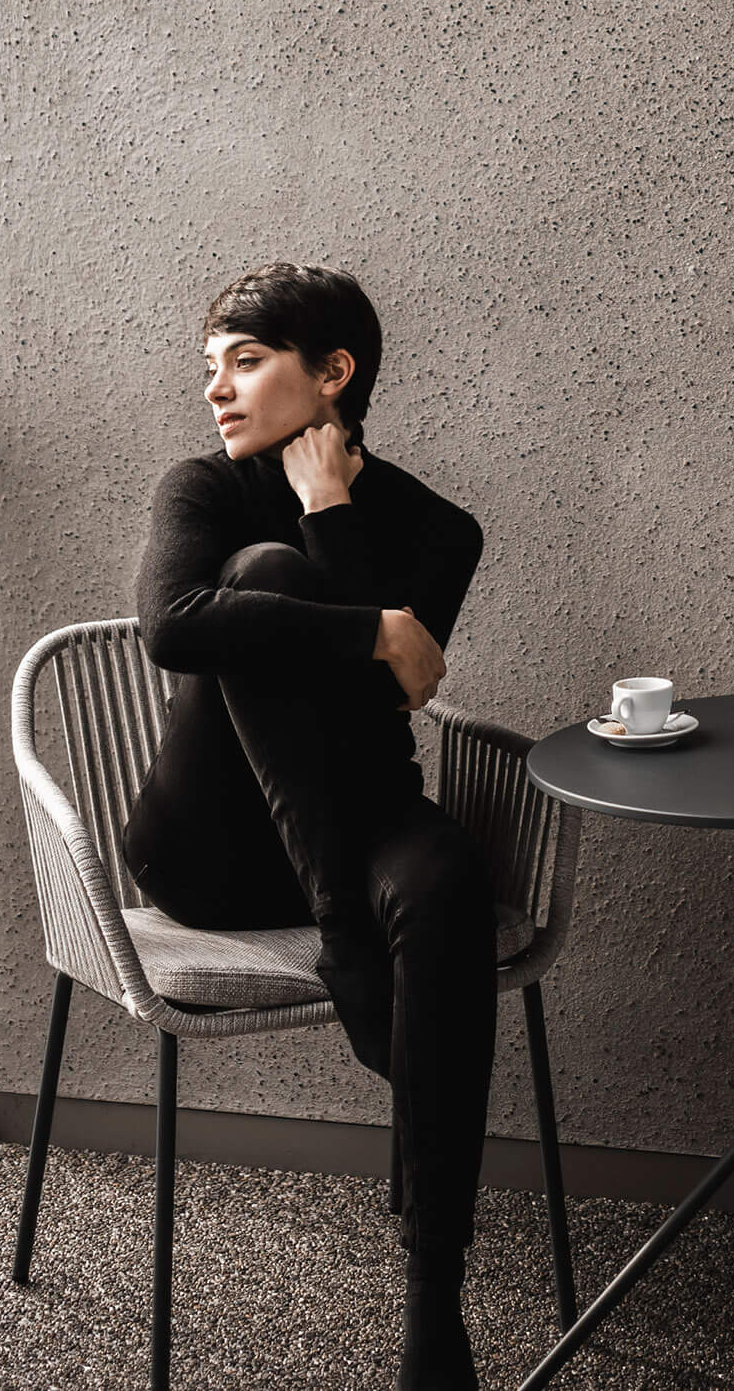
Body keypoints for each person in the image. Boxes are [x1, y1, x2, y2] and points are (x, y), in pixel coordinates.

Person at [123, 261, 493, 1391]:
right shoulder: (200, 491)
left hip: (361, 815)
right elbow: (174, 627)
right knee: (263, 567)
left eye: (246, 362)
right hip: (216, 853)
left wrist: (333, 510)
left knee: (446, 883)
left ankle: (435, 1293)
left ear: (333, 374)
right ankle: (344, 931)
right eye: (211, 368)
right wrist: (372, 620)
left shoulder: (439, 531)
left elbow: (375, 705)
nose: (216, 393)